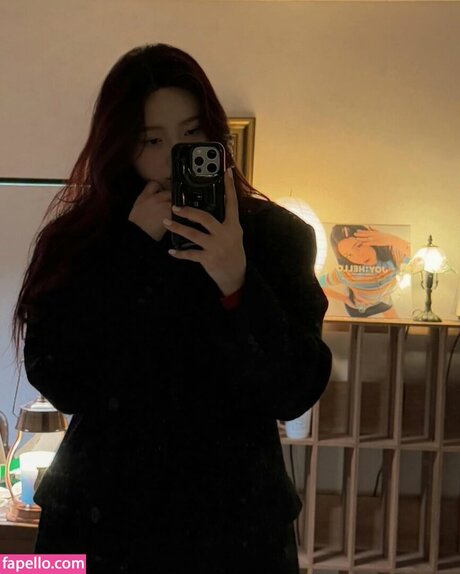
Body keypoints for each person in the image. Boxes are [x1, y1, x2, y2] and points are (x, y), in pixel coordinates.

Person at [12, 43, 332, 574]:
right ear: (121, 147)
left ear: (215, 136)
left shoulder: (275, 236)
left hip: (235, 527)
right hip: (101, 521)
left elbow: (294, 391)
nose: (174, 156)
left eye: (191, 133)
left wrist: (237, 280)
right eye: (152, 140)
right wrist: (130, 253)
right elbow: (61, 376)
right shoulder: (81, 242)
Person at [319, 224, 410, 318]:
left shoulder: (393, 255)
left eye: (359, 245)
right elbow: (317, 283)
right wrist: (344, 299)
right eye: (349, 255)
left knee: (396, 324)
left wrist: (392, 240)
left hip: (385, 302)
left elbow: (417, 260)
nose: (359, 256)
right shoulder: (345, 273)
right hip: (358, 309)